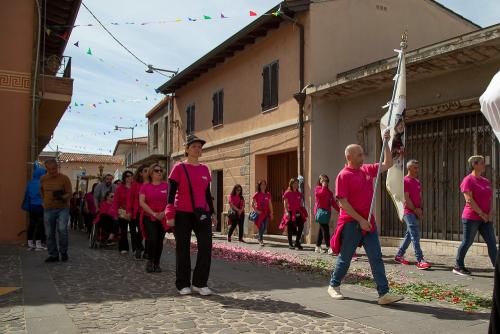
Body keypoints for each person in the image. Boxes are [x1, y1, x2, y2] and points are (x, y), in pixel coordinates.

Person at [328, 131, 404, 305]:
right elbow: (343, 203)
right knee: (346, 257)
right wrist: (360, 220)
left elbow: (388, 163)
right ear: (349, 157)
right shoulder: (343, 176)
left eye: (362, 154)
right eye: (359, 154)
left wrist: (386, 142)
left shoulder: (366, 169)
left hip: (368, 222)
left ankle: (383, 294)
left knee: (376, 257)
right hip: (351, 223)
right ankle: (334, 285)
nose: (363, 157)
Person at [166, 135, 216, 296]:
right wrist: (169, 213)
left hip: (202, 213)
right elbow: (171, 192)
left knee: (206, 247)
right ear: (187, 149)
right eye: (194, 146)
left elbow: (207, 193)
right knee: (183, 248)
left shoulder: (204, 169)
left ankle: (200, 283)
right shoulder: (179, 168)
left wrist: (212, 212)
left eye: (200, 147)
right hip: (182, 213)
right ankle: (182, 283)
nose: (197, 149)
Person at [453, 155, 497, 276]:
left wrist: (489, 213)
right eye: (482, 163)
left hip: (486, 218)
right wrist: (482, 213)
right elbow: (469, 200)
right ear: (474, 165)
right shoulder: (468, 180)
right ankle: (458, 266)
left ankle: (497, 268)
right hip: (471, 217)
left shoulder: (486, 181)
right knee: (467, 241)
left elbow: (489, 198)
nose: (484, 165)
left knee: (492, 242)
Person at [394, 160, 431, 270]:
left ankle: (399, 255)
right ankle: (420, 260)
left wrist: (420, 210)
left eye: (418, 168)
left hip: (416, 211)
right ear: (409, 169)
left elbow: (419, 197)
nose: (417, 170)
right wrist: (415, 210)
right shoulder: (405, 181)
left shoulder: (417, 181)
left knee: (409, 235)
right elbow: (406, 198)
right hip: (409, 212)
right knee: (415, 235)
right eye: (415, 168)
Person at [139, 163, 170, 273]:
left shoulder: (166, 186)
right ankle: (150, 261)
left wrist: (164, 212)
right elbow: (142, 202)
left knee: (159, 241)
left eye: (161, 170)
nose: (159, 172)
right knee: (152, 239)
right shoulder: (145, 186)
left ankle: (157, 263)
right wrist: (153, 213)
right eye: (156, 171)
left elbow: (170, 202)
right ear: (151, 173)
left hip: (163, 217)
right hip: (149, 217)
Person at [40, 159, 72, 263]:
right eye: (49, 169)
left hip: (62, 208)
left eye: (54, 169)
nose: (52, 171)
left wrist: (62, 197)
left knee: (62, 229)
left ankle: (63, 252)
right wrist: (43, 202)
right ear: (46, 169)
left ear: (57, 167)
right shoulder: (43, 179)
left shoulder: (64, 179)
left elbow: (69, 193)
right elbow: (41, 191)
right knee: (49, 233)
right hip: (48, 209)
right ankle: (53, 254)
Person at [22, 163, 47, 251]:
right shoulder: (42, 183)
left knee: (32, 225)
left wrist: (26, 205)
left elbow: (27, 195)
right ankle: (38, 244)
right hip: (40, 206)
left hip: (32, 206)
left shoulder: (30, 183)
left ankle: (30, 243)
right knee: (40, 225)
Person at [314, 174, 339, 254]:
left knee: (321, 230)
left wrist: (340, 210)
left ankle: (317, 247)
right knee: (326, 229)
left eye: (326, 181)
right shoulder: (318, 189)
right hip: (320, 212)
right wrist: (324, 186)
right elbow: (321, 194)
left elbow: (333, 203)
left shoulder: (329, 192)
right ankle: (329, 247)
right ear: (320, 181)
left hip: (327, 213)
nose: (325, 182)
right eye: (323, 181)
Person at [128, 164, 149, 260]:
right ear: (140, 173)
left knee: (146, 232)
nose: (148, 172)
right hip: (137, 212)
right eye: (145, 170)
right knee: (138, 231)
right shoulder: (135, 184)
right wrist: (129, 211)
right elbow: (130, 199)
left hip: (148, 212)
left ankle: (143, 249)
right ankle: (139, 248)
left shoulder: (152, 183)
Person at [281, 178, 307, 250]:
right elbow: (285, 204)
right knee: (290, 228)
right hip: (290, 211)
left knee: (301, 226)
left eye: (297, 183)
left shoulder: (299, 194)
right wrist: (286, 212)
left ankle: (297, 242)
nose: (296, 185)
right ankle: (290, 244)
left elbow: (301, 204)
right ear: (291, 184)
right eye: (294, 183)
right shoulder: (287, 193)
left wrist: (303, 211)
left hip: (298, 211)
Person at [113, 170, 133, 254]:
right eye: (127, 176)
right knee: (124, 230)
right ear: (124, 177)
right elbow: (116, 201)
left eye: (131, 175)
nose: (129, 177)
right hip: (122, 211)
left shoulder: (134, 186)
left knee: (133, 231)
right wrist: (115, 213)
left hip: (133, 211)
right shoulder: (120, 188)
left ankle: (135, 248)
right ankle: (123, 247)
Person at [252, 180, 273, 246]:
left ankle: (259, 236)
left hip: (266, 213)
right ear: (259, 186)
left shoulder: (268, 194)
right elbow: (252, 204)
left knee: (264, 227)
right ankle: (261, 239)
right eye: (262, 185)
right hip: (259, 213)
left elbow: (270, 204)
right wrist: (257, 211)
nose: (263, 186)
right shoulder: (256, 194)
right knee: (262, 226)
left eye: (264, 184)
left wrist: (271, 213)